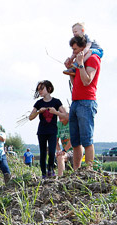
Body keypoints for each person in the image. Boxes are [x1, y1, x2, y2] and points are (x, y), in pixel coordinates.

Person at [67, 35, 101, 170]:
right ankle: (76, 170)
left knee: (87, 139)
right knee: (75, 141)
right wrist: (71, 69)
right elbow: (74, 82)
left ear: (83, 48)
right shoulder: (78, 61)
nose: (73, 53)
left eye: (75, 49)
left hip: (87, 102)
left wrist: (80, 64)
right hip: (75, 102)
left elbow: (87, 80)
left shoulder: (93, 59)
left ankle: (89, 170)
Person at [29, 80, 67, 178]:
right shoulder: (38, 103)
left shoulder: (56, 102)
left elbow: (66, 115)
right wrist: (38, 112)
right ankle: (43, 173)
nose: (40, 91)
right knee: (42, 153)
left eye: (42, 89)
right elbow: (30, 117)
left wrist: (56, 112)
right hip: (42, 131)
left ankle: (51, 169)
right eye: (39, 90)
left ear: (49, 89)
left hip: (53, 131)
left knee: (51, 151)